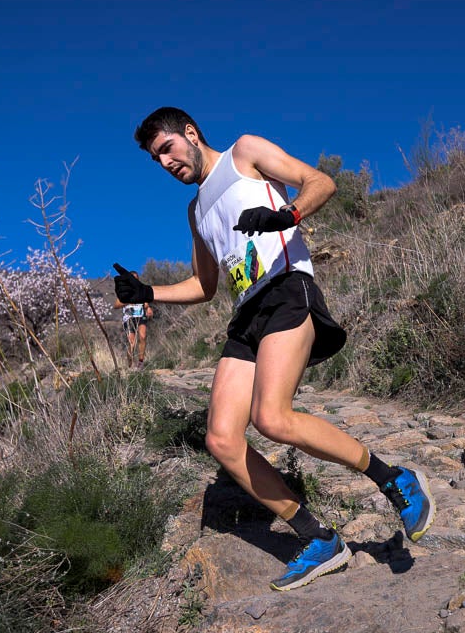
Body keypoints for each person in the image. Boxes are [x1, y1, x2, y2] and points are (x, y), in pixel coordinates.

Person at [113, 107, 435, 591]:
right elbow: (204, 285)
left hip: (286, 287)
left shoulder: (245, 152)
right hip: (246, 314)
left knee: (272, 417)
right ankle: (319, 538)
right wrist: (147, 293)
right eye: (156, 159)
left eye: (167, 149)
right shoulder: (195, 209)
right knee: (221, 438)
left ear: (190, 133)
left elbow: (319, 181)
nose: (164, 163)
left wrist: (288, 213)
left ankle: (395, 479)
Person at [114, 274, 153, 368]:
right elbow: (116, 305)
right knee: (132, 342)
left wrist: (148, 308)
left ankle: (140, 362)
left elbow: (146, 303)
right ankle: (130, 365)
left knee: (143, 337)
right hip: (129, 318)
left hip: (140, 316)